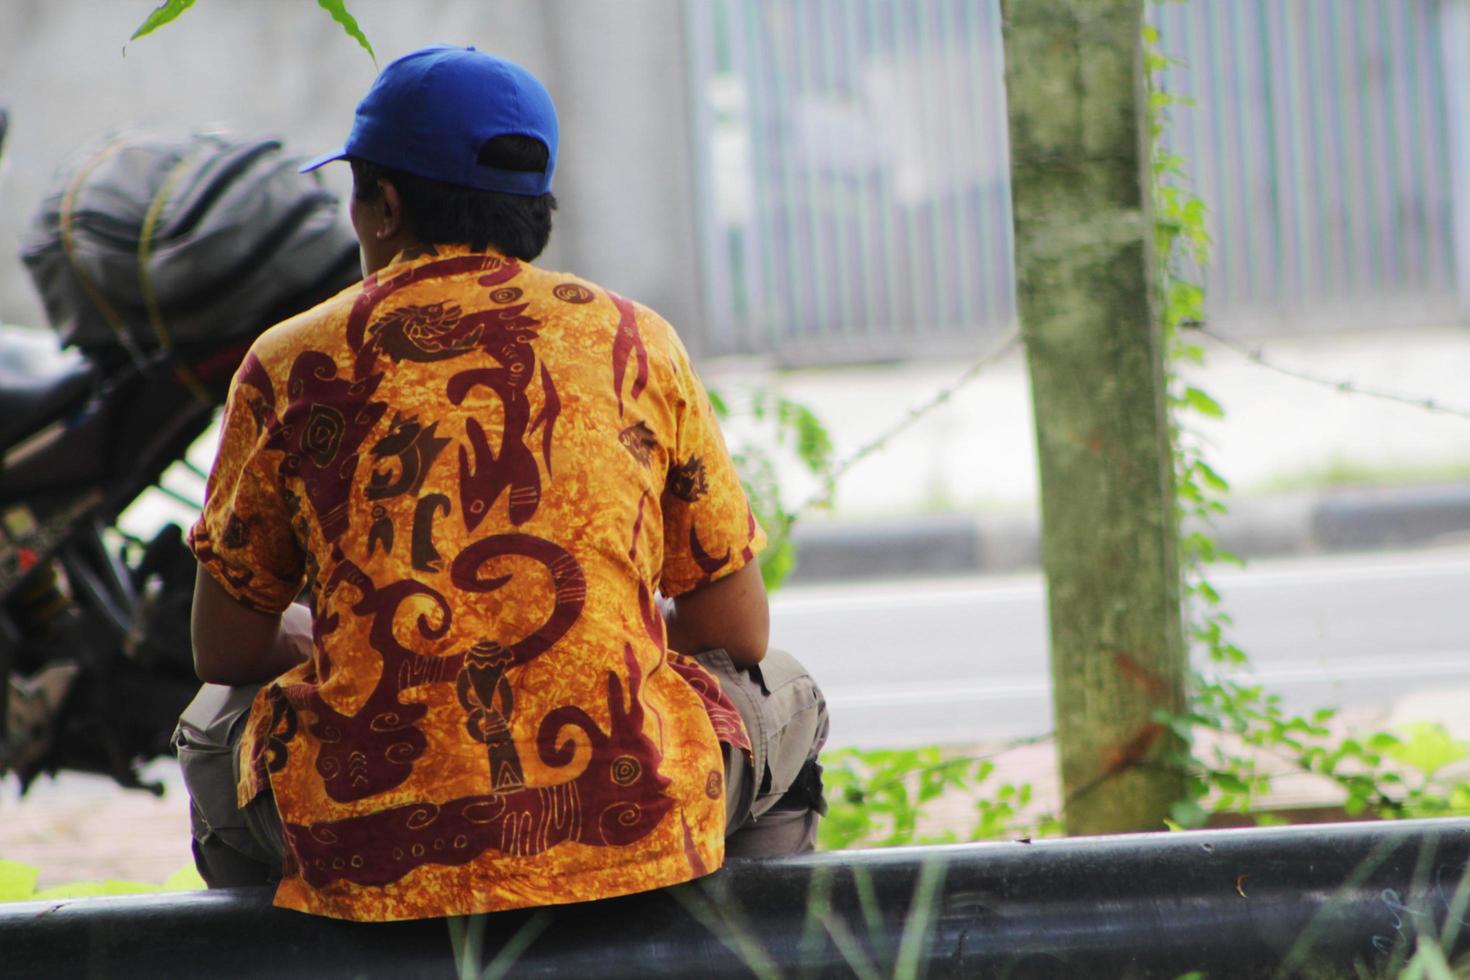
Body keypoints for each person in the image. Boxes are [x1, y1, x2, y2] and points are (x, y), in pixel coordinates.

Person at [174, 44, 828, 922]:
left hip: (359, 841)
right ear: (535, 207)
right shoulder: (637, 342)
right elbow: (734, 629)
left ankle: (302, 949)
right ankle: (723, 947)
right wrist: (599, 630)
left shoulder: (292, 362)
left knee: (213, 731)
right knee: (785, 692)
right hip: (625, 814)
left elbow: (221, 651)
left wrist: (333, 640)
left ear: (387, 206)